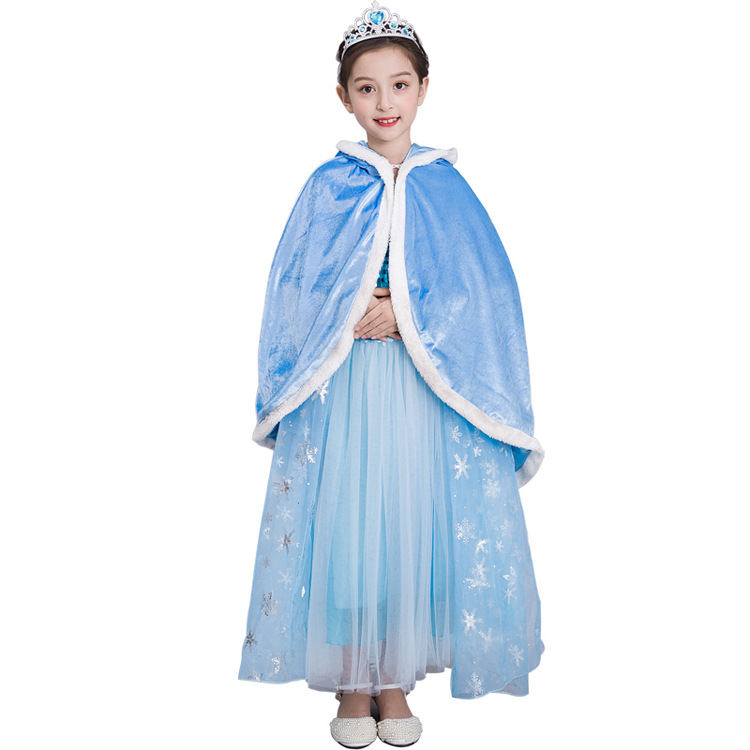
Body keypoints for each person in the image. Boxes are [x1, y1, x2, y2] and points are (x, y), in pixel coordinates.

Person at [238, 2, 545, 747]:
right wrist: (354, 309)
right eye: (367, 88)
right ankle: (353, 678)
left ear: (424, 89)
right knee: (352, 523)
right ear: (344, 97)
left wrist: (407, 316)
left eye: (399, 85)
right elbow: (298, 286)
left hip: (422, 387)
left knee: (408, 520)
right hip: (345, 389)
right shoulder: (329, 186)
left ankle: (394, 677)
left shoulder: (448, 188)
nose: (384, 103)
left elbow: (483, 293)